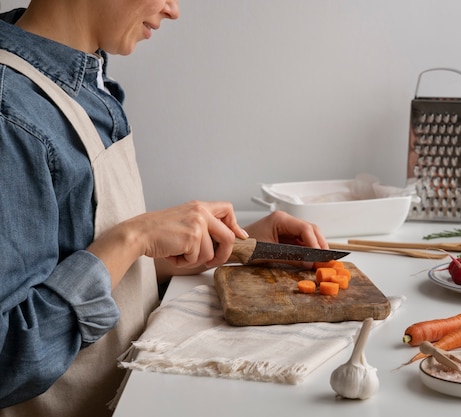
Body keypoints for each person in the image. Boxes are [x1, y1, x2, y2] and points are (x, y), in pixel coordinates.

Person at [0, 1, 328, 416]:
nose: (173, 9)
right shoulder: (10, 114)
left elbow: (72, 261)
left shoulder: (79, 82)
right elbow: (9, 355)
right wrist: (133, 237)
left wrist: (233, 245)